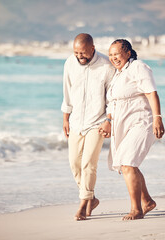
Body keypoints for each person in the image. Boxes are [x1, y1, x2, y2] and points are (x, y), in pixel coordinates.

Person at [100, 39, 165, 220]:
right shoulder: (118, 74)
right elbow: (114, 102)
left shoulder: (138, 67)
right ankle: (148, 201)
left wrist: (158, 118)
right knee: (127, 164)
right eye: (111, 55)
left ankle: (136, 209)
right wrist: (108, 121)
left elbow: (152, 93)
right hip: (122, 124)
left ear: (128, 53)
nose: (113, 58)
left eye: (117, 54)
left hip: (141, 122)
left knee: (128, 162)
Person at [61, 33, 115, 221]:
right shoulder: (69, 63)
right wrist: (65, 118)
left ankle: (84, 204)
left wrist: (109, 120)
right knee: (74, 163)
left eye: (83, 52)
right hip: (76, 121)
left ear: (93, 48)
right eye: (76, 52)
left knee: (88, 164)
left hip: (98, 122)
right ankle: (91, 198)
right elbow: (67, 92)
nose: (79, 56)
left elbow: (112, 98)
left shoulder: (107, 66)